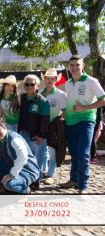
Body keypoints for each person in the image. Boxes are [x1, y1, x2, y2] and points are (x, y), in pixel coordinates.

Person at [59, 55, 105, 194]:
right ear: (68, 67)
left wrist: (84, 108)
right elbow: (70, 103)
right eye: (71, 65)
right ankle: (73, 179)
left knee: (83, 153)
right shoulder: (68, 83)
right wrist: (63, 115)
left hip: (86, 121)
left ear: (83, 66)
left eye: (77, 65)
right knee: (73, 153)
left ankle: (83, 186)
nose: (74, 67)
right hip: (70, 122)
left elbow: (103, 100)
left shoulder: (91, 81)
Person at [0, 117, 40, 194]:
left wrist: (11, 175)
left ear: (5, 128)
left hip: (28, 171)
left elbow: (22, 158)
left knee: (9, 185)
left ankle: (27, 190)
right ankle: (5, 181)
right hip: (13, 167)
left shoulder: (14, 139)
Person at [18, 74, 50, 183]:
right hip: (24, 133)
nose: (29, 86)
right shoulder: (23, 98)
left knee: (38, 159)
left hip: (37, 135)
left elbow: (45, 120)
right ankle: (29, 178)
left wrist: (40, 134)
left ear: (37, 85)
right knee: (26, 158)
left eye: (32, 84)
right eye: (26, 84)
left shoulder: (43, 101)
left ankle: (37, 180)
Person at [40, 68, 67, 185]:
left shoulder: (60, 94)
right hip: (40, 125)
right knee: (42, 150)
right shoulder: (39, 93)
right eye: (48, 78)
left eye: (52, 78)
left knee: (52, 151)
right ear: (44, 79)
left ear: (56, 80)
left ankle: (50, 174)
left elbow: (66, 111)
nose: (50, 80)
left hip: (52, 126)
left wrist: (59, 120)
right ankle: (44, 171)